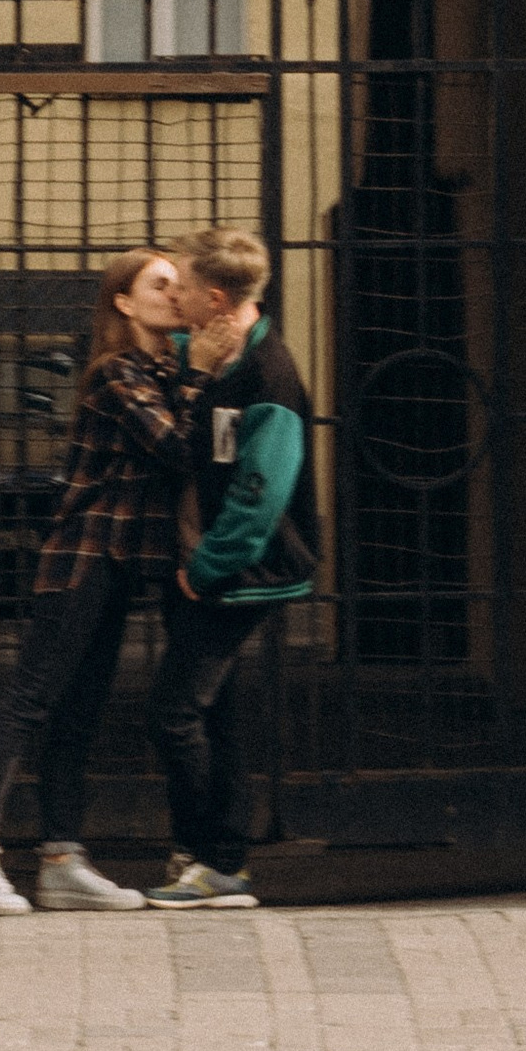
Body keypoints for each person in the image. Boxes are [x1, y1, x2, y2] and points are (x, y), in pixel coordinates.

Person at [0, 247, 234, 916]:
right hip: (84, 559)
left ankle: (63, 860)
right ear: (124, 302)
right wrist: (200, 378)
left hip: (119, 564)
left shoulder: (159, 369)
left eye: (178, 283)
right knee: (33, 695)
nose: (175, 292)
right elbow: (180, 449)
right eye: (159, 284)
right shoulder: (116, 372)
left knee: (79, 712)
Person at [140, 226, 319, 911]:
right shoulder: (213, 359)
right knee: (214, 716)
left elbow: (260, 490)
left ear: (216, 298)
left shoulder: (267, 374)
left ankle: (212, 861)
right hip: (208, 569)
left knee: (174, 712)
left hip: (239, 574)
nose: (174, 298)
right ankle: (217, 856)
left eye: (180, 288)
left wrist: (208, 569)